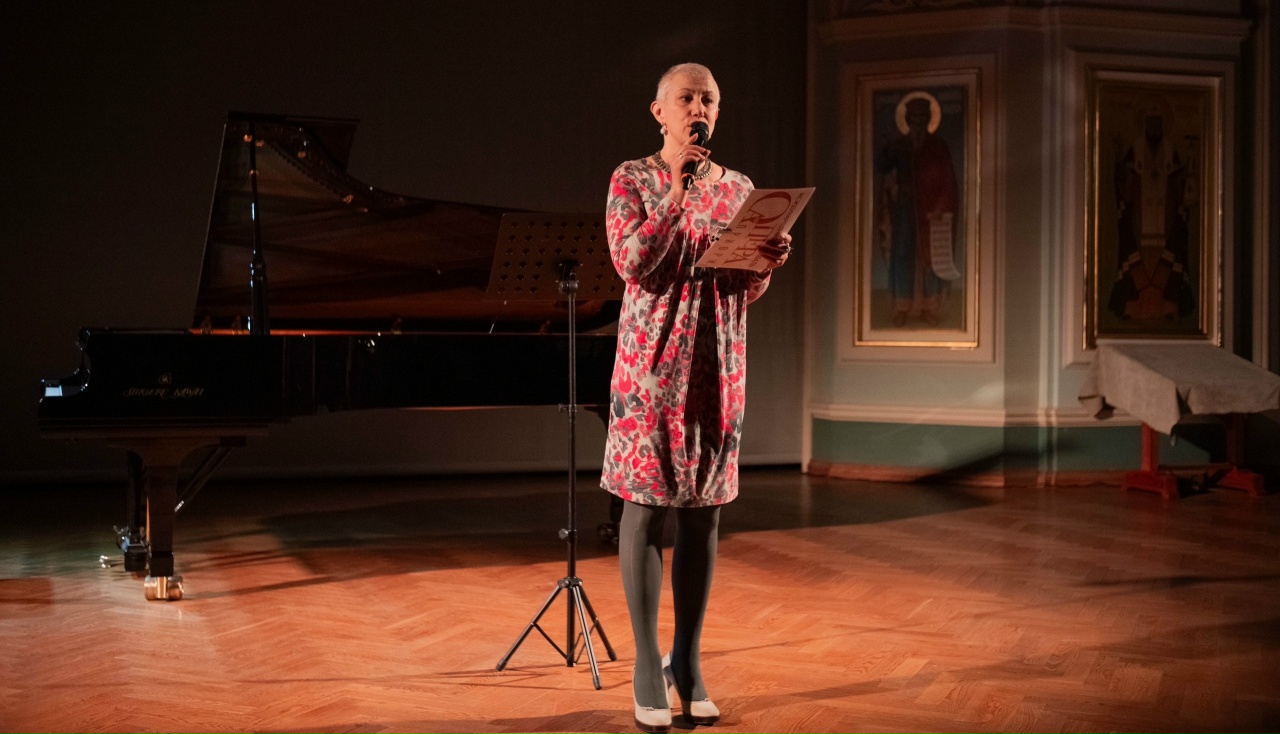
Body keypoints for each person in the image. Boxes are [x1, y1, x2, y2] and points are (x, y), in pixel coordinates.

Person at [600, 62, 791, 734]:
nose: (698, 108)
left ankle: (686, 660)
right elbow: (633, 263)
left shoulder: (738, 187)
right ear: (659, 111)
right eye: (686, 98)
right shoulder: (633, 178)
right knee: (647, 507)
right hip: (652, 364)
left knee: (705, 512)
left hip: (718, 360)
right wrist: (677, 193)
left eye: (708, 99)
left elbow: (742, 287)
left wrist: (765, 262)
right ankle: (645, 665)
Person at [874, 92, 960, 328]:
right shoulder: (899, 146)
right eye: (914, 119)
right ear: (908, 121)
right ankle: (903, 306)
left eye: (923, 119)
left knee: (929, 258)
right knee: (902, 255)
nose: (919, 124)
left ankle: (929, 307)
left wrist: (941, 207)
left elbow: (948, 182)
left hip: (930, 211)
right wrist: (886, 148)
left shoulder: (938, 147)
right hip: (904, 210)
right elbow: (882, 166)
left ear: (929, 120)